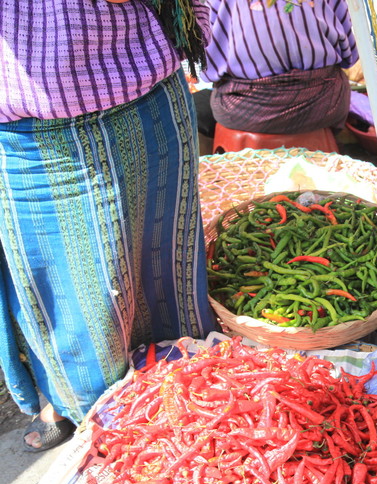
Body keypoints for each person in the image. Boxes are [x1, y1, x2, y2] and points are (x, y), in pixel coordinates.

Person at [0, 0, 219, 451]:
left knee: (165, 276)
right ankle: (89, 418)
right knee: (75, 303)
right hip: (36, 130)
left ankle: (188, 417)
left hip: (148, 94)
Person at [194, 0, 360, 153]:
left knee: (198, 105)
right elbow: (349, 56)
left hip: (244, 110)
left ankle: (225, 171)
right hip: (322, 106)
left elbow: (208, 69)